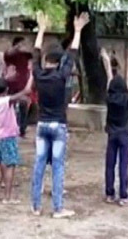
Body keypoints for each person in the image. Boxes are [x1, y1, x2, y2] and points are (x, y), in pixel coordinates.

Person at [30, 12, 90, 219]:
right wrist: (78, 30)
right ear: (59, 61)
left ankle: (36, 206)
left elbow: (35, 52)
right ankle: (57, 208)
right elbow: (73, 52)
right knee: (57, 167)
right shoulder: (61, 75)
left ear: (46, 60)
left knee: (39, 165)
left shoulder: (38, 74)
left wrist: (42, 29)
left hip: (41, 125)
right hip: (59, 126)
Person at [101, 48, 128, 207]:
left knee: (110, 164)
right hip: (124, 133)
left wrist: (106, 60)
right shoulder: (126, 96)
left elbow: (110, 77)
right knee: (123, 165)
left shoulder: (109, 97)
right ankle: (123, 195)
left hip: (111, 134)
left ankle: (109, 194)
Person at [0, 77, 32, 204]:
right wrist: (31, 76)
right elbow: (26, 91)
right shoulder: (6, 101)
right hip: (8, 137)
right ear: (6, 90)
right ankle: (7, 197)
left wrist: (6, 77)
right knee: (10, 165)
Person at [4, 36, 33, 138]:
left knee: (23, 106)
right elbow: (7, 55)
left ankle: (22, 129)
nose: (23, 45)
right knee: (9, 105)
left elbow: (31, 60)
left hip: (23, 84)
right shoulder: (10, 54)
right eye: (21, 43)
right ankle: (9, 127)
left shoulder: (27, 55)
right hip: (11, 83)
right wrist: (16, 48)